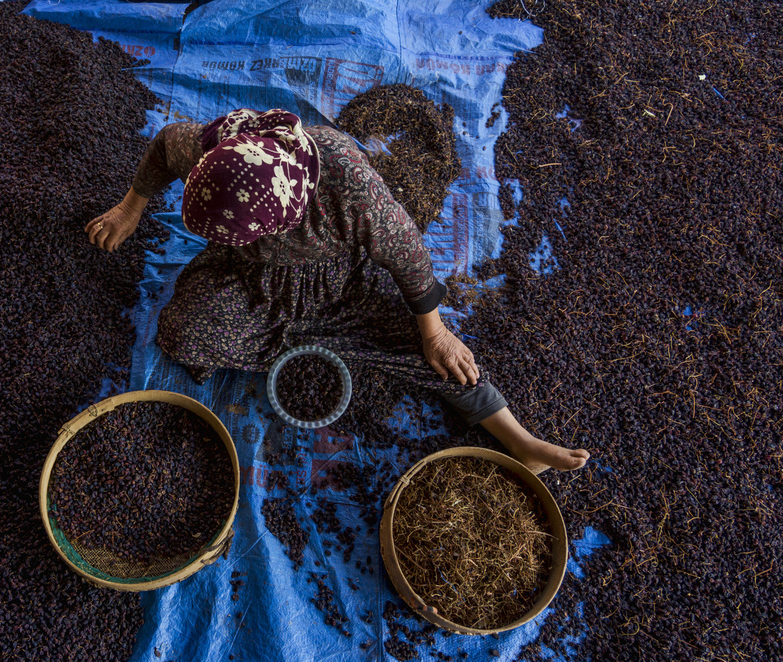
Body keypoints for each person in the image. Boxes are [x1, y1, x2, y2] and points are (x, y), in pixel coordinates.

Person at [86, 108, 589, 474]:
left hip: (339, 279)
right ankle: (329, 344)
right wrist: (130, 208)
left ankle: (519, 440)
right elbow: (163, 145)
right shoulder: (215, 146)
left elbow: (410, 257)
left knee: (432, 351)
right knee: (182, 333)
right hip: (249, 275)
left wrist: (434, 333)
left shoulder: (353, 193)